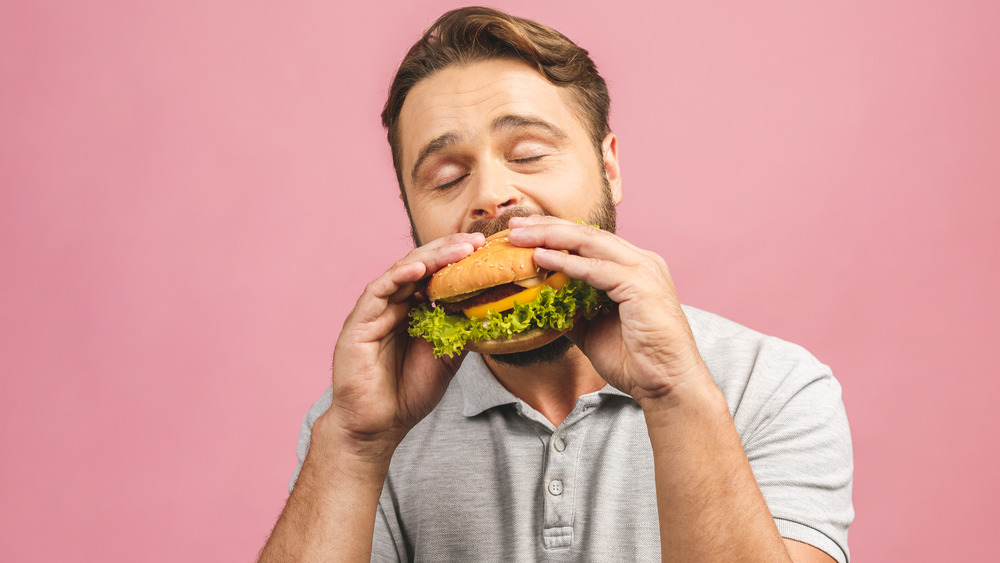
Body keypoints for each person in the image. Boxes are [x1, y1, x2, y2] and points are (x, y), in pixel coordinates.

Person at [259, 6, 853, 562]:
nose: (491, 196)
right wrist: (354, 445)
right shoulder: (364, 418)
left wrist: (674, 394)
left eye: (529, 154)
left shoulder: (772, 385)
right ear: (410, 213)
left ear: (609, 169)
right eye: (447, 177)